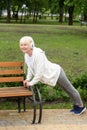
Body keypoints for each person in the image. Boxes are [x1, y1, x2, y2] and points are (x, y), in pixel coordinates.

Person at [19, 36, 86, 115]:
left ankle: (81, 106)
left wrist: (31, 83)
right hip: (50, 75)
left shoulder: (38, 54)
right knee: (66, 90)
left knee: (70, 89)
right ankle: (76, 105)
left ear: (31, 44)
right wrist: (28, 79)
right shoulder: (26, 55)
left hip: (56, 72)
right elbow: (30, 68)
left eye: (25, 44)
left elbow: (40, 72)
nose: (23, 47)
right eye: (21, 45)